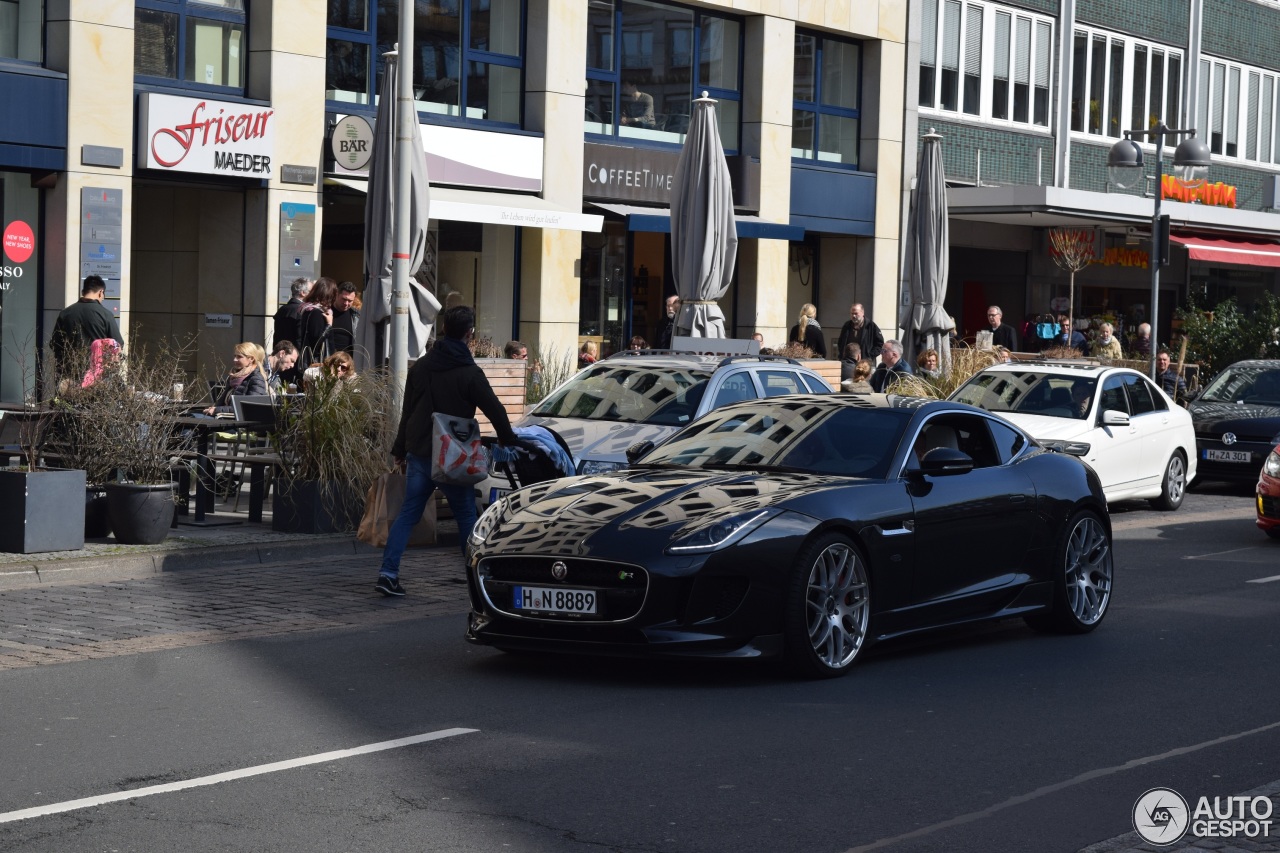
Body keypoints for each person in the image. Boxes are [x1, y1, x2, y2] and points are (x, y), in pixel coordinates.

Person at [376, 305, 524, 597]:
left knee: (408, 514)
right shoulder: (470, 372)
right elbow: (495, 409)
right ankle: (475, 580)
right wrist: (508, 440)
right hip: (454, 455)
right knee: (466, 514)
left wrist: (399, 449)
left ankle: (387, 573)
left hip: (420, 450)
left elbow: (408, 411)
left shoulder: (421, 366)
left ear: (443, 330)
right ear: (469, 334)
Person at [53, 275, 124, 378]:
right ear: (101, 292)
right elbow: (118, 344)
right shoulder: (105, 314)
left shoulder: (65, 314)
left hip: (70, 374)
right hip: (98, 376)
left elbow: (55, 344)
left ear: (83, 292)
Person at [203, 342, 269, 415]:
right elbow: (222, 402)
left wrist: (217, 410)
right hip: (224, 417)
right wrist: (213, 408)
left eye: (239, 357)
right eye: (235, 356)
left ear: (251, 359)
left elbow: (249, 407)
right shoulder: (233, 377)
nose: (235, 360)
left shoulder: (256, 379)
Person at [297, 276, 338, 367]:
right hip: (317, 363)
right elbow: (317, 340)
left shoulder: (308, 309)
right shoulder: (316, 312)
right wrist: (329, 325)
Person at [272, 277, 312, 351]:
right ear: (303, 293)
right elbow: (299, 338)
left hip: (280, 352)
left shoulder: (282, 309)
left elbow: (276, 336)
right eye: (311, 291)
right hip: (295, 354)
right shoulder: (303, 310)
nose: (313, 294)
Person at [329, 281, 360, 355]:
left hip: (348, 360)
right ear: (337, 295)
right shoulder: (327, 312)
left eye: (350, 301)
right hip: (329, 357)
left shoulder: (356, 316)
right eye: (344, 299)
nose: (346, 303)